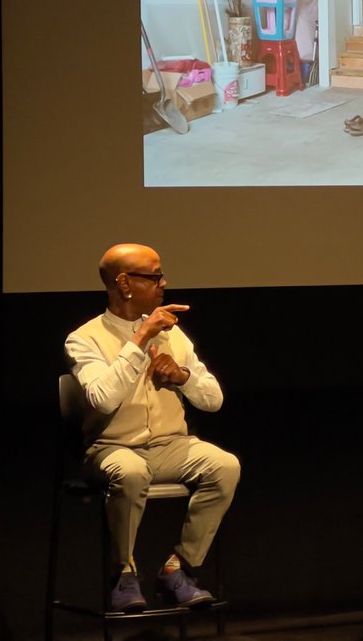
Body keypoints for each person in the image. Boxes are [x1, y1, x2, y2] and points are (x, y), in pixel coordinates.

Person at [64, 243, 240, 612]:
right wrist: (140, 338)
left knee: (224, 465)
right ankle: (123, 573)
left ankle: (178, 569)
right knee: (129, 472)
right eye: (155, 275)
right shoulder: (85, 338)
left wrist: (183, 376)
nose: (164, 283)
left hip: (170, 447)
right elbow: (102, 399)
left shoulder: (173, 334)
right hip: (112, 449)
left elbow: (213, 400)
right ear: (125, 283)